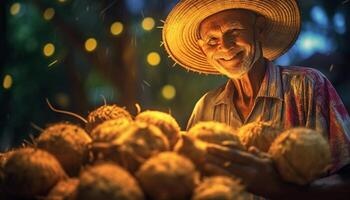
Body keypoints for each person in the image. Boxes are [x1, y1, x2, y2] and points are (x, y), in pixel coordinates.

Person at [162, 0, 350, 199]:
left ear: (259, 29)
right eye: (212, 40)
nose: (224, 46)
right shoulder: (206, 107)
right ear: (203, 50)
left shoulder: (307, 86)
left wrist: (280, 188)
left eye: (234, 30)